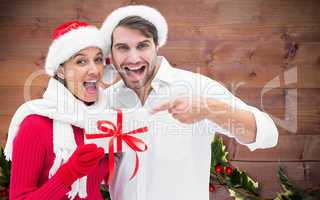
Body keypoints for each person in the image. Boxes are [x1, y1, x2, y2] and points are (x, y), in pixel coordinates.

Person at [100, 5, 278, 200]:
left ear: (156, 45)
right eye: (122, 48)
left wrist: (209, 109)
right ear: (112, 54)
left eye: (142, 45)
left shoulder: (196, 87)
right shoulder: (105, 100)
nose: (133, 58)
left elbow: (267, 134)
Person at [5, 21, 110, 200]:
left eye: (98, 59)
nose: (94, 70)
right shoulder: (36, 125)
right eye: (81, 61)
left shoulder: (104, 121)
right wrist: (67, 175)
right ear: (61, 70)